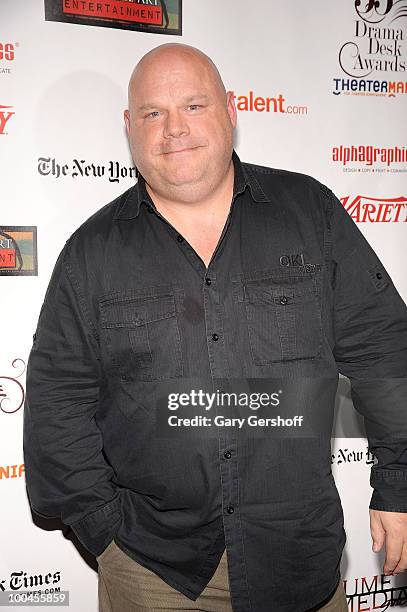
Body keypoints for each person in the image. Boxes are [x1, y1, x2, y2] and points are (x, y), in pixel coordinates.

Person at [23, 43, 407, 612]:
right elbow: (56, 405)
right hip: (154, 574)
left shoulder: (311, 214)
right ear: (130, 127)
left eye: (194, 106)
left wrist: (398, 486)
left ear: (231, 111)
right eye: (153, 113)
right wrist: (106, 534)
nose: (174, 129)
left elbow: (385, 354)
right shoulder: (91, 253)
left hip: (297, 561)